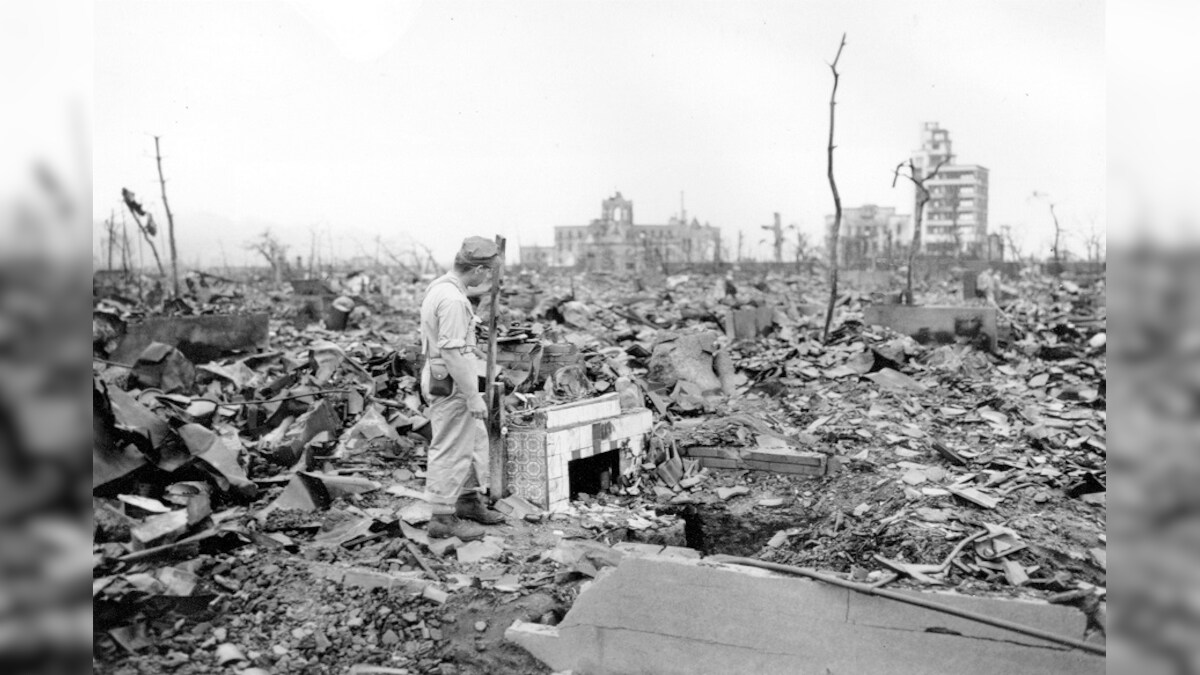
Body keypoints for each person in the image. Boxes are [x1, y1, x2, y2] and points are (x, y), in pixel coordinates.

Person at [419, 236, 505, 540]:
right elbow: (454, 353)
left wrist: (489, 291)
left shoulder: (443, 286)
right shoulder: (454, 301)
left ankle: (467, 501)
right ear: (479, 270)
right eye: (488, 273)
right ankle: (442, 518)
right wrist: (472, 397)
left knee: (472, 442)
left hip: (451, 377)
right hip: (453, 382)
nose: (487, 279)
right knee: (451, 447)